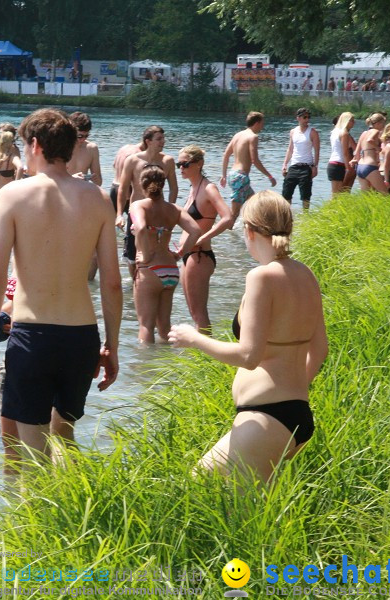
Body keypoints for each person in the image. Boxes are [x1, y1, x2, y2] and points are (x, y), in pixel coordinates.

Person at [0, 108, 121, 461]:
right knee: (65, 441)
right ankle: (72, 514)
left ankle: (35, 516)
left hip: (33, 336)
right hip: (81, 335)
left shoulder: (12, 195)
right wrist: (112, 346)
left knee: (32, 456)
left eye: (24, 146)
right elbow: (112, 284)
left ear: (36, 145)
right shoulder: (99, 199)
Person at [169, 191, 328, 482]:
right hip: (294, 414)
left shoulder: (261, 277)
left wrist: (193, 338)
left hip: (266, 418)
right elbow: (320, 350)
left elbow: (248, 356)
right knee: (204, 484)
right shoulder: (306, 275)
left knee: (212, 495)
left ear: (250, 230)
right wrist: (291, 390)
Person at [129, 165, 201, 343]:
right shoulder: (174, 209)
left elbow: (140, 227)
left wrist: (145, 255)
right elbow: (195, 231)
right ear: (163, 185)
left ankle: (146, 368)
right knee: (164, 326)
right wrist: (179, 253)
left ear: (141, 184)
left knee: (145, 325)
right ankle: (167, 365)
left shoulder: (138, 205)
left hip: (150, 269)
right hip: (170, 269)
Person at [177, 145, 232, 333]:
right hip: (188, 256)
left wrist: (202, 239)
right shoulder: (193, 189)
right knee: (193, 313)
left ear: (199, 163)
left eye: (185, 164)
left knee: (200, 314)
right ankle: (200, 355)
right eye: (179, 165)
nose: (181, 168)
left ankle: (207, 357)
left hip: (200, 256)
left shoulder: (209, 188)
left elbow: (228, 218)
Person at [118, 126, 178, 280]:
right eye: (159, 139)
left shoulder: (167, 161)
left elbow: (174, 188)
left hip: (158, 212)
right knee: (132, 252)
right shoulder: (133, 160)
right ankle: (136, 283)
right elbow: (123, 189)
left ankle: (154, 279)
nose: (163, 142)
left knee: (157, 248)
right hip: (136, 212)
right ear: (148, 141)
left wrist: (169, 209)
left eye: (163, 139)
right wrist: (119, 214)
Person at [219, 112, 276, 227]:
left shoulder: (238, 135)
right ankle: (221, 234)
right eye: (262, 123)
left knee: (255, 204)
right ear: (257, 123)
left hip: (232, 175)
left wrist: (224, 175)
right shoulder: (253, 137)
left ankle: (251, 229)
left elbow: (225, 155)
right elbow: (255, 160)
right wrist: (269, 176)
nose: (262, 126)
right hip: (241, 177)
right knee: (233, 215)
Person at [280, 108, 320, 209]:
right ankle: (287, 215)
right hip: (293, 166)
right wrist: (285, 164)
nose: (307, 119)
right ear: (298, 118)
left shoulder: (313, 132)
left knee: (305, 196)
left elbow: (317, 151)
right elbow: (290, 149)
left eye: (308, 117)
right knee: (286, 193)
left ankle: (305, 217)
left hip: (306, 167)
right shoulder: (293, 132)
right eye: (304, 117)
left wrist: (315, 166)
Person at [350, 113, 387, 194]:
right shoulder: (376, 131)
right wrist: (378, 148)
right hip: (370, 166)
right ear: (378, 124)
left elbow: (356, 152)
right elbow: (370, 140)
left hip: (360, 167)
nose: (384, 126)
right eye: (383, 124)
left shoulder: (364, 133)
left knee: (366, 197)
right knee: (385, 193)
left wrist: (354, 160)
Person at [65, 112, 102, 186]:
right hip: (62, 192)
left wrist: (95, 179)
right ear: (70, 131)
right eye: (80, 136)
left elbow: (99, 183)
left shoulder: (92, 149)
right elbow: (48, 178)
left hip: (81, 193)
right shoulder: (59, 147)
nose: (83, 140)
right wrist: (72, 178)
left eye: (86, 136)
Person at [327, 113, 356, 196]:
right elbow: (345, 152)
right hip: (339, 164)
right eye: (352, 121)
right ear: (346, 121)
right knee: (337, 195)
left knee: (338, 195)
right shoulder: (344, 133)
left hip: (334, 164)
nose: (354, 123)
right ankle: (330, 209)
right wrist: (348, 168)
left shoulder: (335, 131)